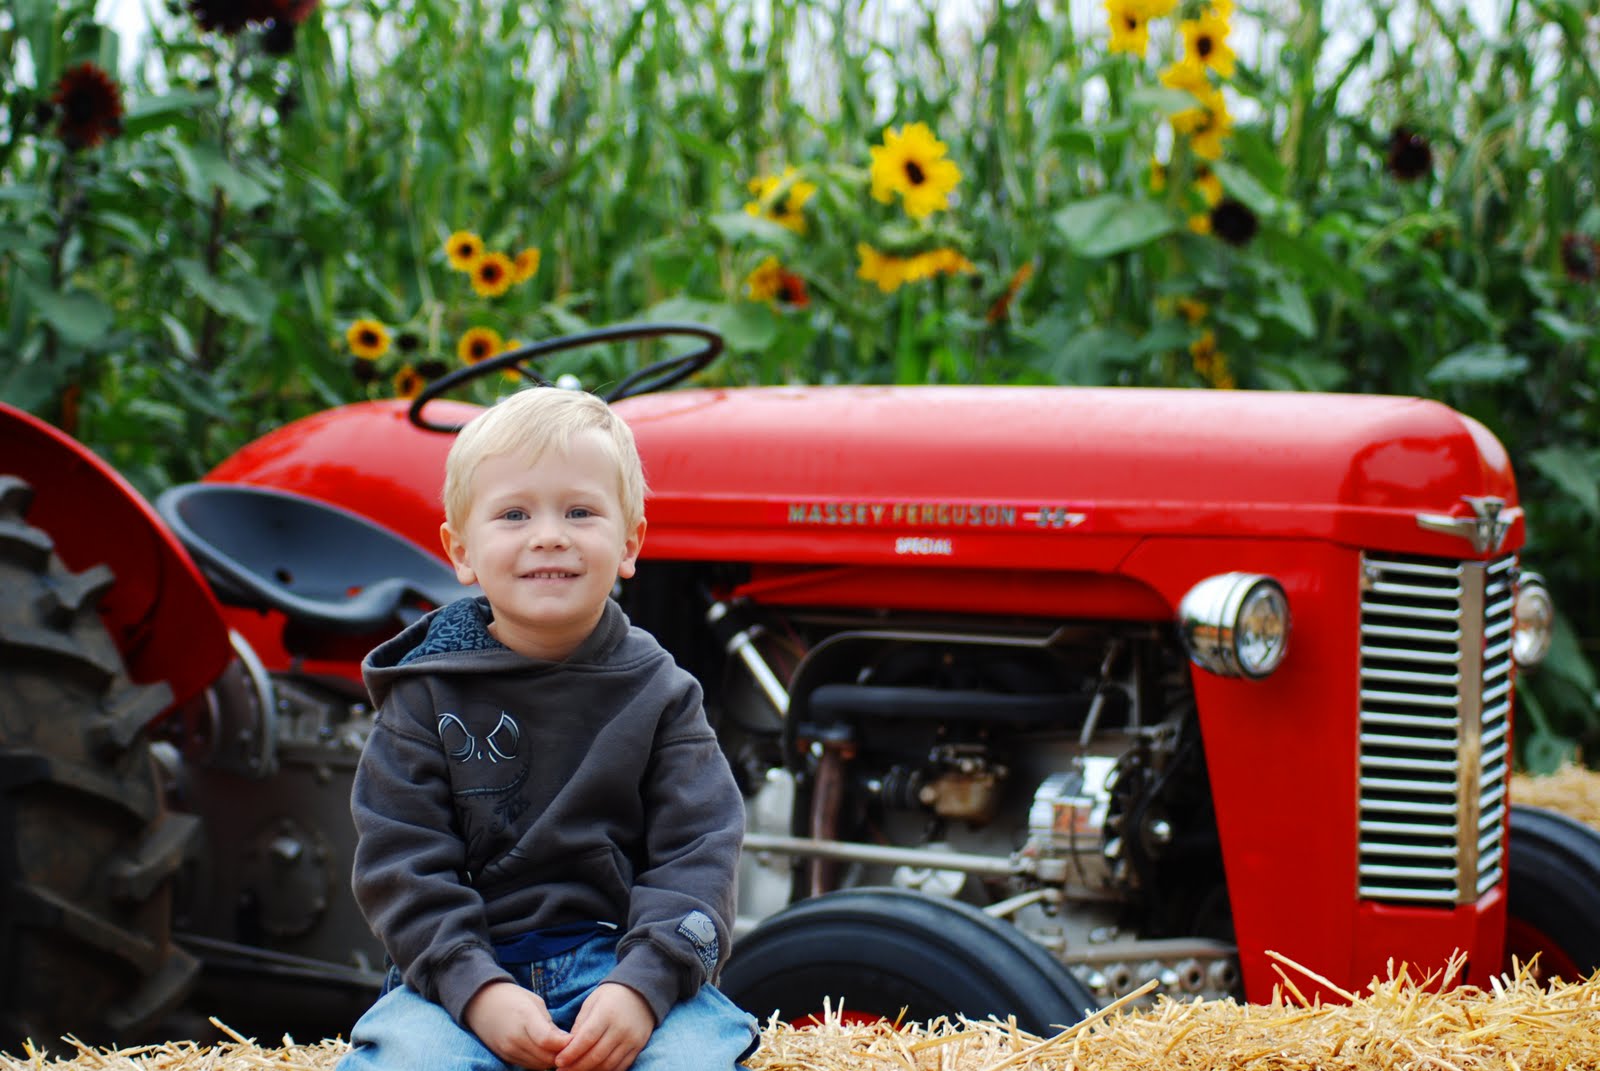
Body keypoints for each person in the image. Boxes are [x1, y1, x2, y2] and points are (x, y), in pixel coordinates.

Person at [338, 387, 758, 1071]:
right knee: (415, 1059)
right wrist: (478, 991)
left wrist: (642, 986)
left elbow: (699, 852)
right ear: (461, 550)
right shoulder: (423, 697)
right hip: (461, 977)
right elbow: (402, 864)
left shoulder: (662, 692)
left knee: (692, 1058)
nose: (549, 535)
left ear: (630, 543)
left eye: (580, 511)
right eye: (514, 514)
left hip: (621, 966)